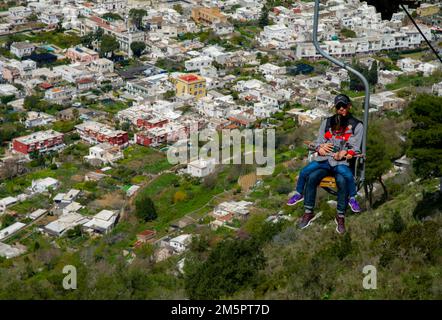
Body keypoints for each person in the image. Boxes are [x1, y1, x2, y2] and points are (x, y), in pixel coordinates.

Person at [287, 94, 364, 234]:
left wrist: (344, 153)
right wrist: (319, 148)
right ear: (335, 108)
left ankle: (340, 215)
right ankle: (308, 211)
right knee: (311, 176)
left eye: (344, 106)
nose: (341, 109)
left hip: (342, 162)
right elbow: (318, 142)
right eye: (338, 107)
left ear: (349, 106)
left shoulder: (357, 125)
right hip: (325, 161)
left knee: (342, 180)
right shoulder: (327, 122)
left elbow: (356, 147)